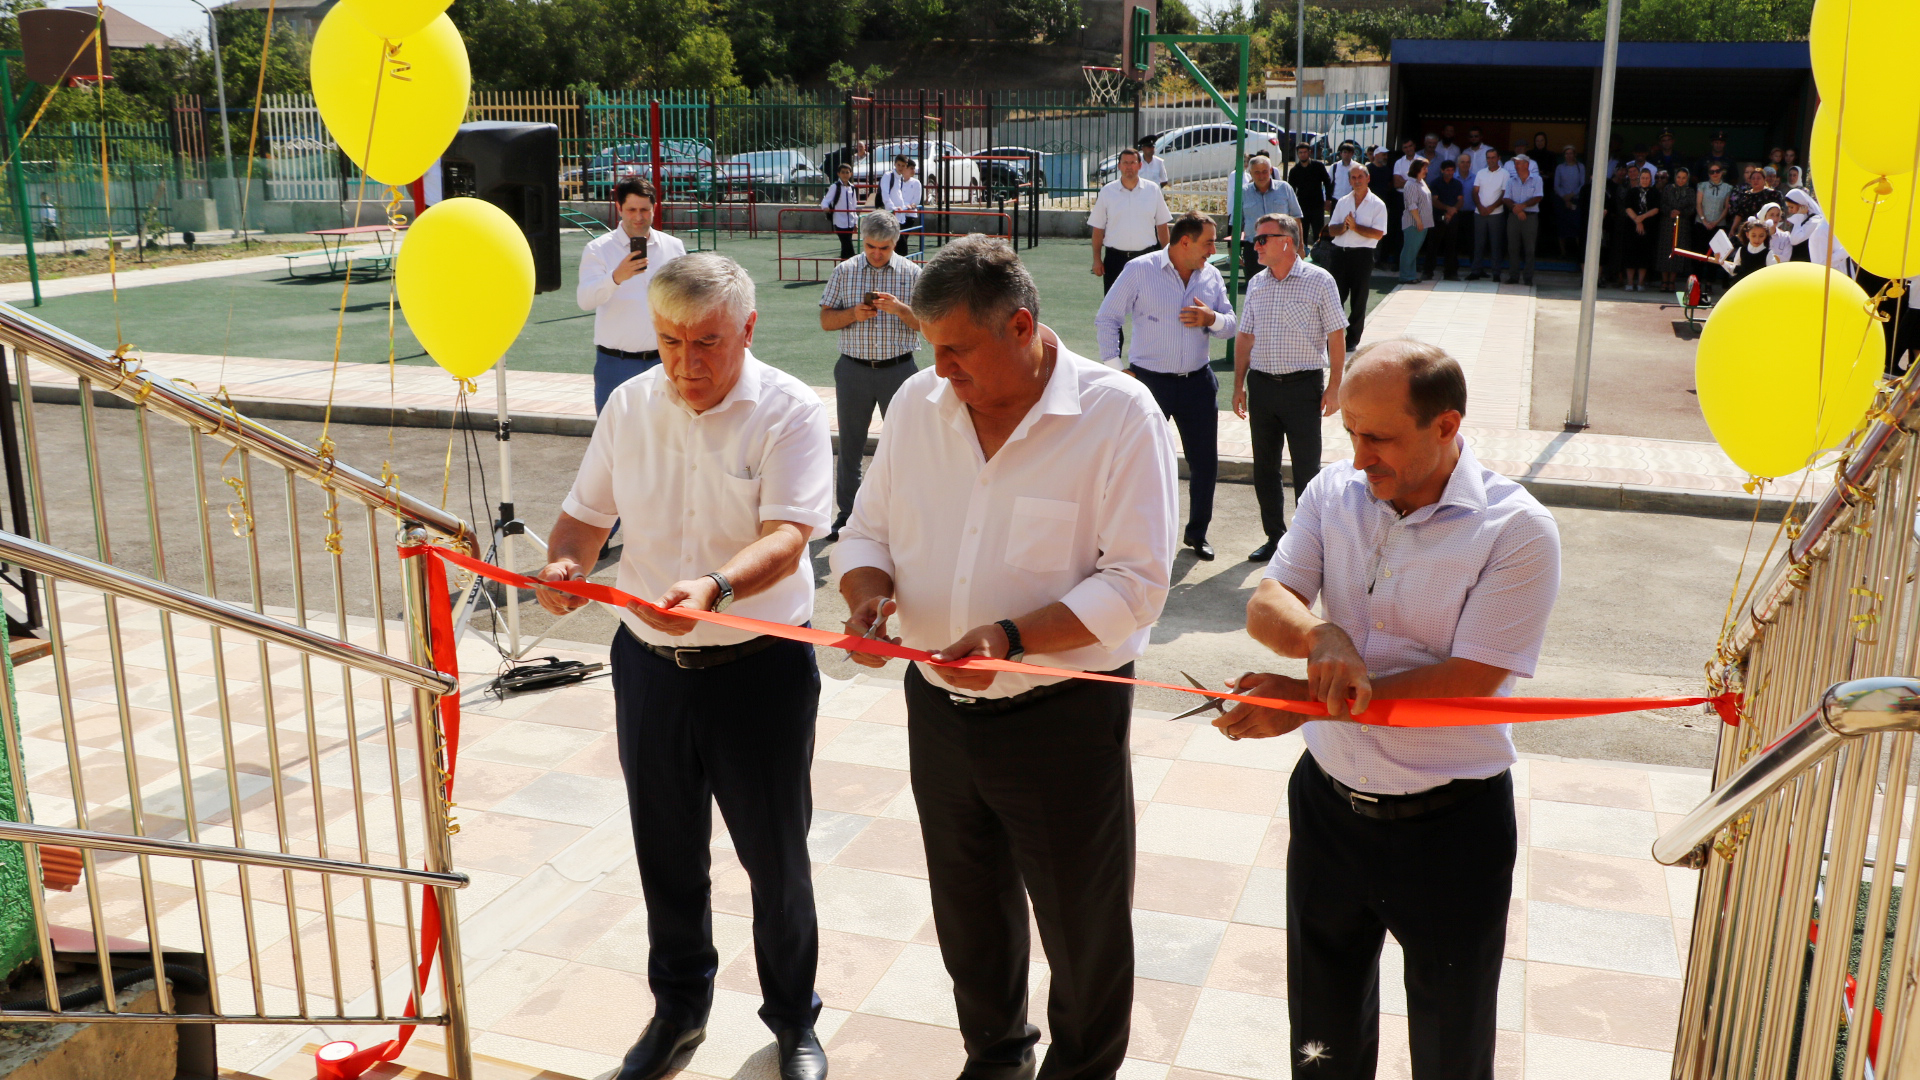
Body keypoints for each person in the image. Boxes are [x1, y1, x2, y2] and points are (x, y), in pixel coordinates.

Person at [832, 235, 1176, 1080]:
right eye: (930, 346)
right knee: (968, 910)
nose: (938, 368)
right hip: (938, 712)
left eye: (956, 350)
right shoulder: (918, 405)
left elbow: (1136, 586)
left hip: (1063, 716)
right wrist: (868, 599)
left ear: (1021, 327)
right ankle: (995, 1058)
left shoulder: (1118, 416)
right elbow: (866, 532)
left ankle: (1083, 1069)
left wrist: (1013, 637)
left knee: (1081, 926)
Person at [1219, 339, 1560, 1080]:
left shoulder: (1517, 530)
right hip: (1328, 812)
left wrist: (1311, 703)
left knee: (1450, 1046)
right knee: (1321, 1041)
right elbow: (1268, 602)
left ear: (1446, 426)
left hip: (1451, 829)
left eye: (1379, 437)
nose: (1360, 455)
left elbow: (1467, 680)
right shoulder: (1332, 493)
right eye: (1349, 433)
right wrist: (1321, 636)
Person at [537, 253, 833, 1080]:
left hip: (759, 666)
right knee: (665, 850)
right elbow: (581, 520)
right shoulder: (629, 406)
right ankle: (678, 1013)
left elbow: (786, 536)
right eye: (669, 341)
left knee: (775, 857)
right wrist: (564, 568)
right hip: (650, 667)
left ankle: (793, 1021)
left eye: (707, 343)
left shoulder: (788, 410)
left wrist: (715, 586)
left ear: (746, 328)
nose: (686, 363)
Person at [1097, 210, 1238, 560]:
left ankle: (1196, 534)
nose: (1213, 249)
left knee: (1204, 463)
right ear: (1185, 241)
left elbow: (1232, 323)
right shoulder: (1140, 270)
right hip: (1149, 384)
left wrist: (1212, 319)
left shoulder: (1211, 276)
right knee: (1136, 463)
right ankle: (1131, 537)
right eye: (1208, 242)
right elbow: (1107, 317)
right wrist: (1116, 369)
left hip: (1198, 384)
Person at [1234, 212, 1347, 563]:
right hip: (1263, 387)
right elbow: (1245, 336)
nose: (1255, 246)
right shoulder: (1257, 283)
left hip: (1303, 388)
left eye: (1262, 239)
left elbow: (1336, 336)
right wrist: (1238, 384)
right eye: (1255, 239)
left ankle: (1307, 543)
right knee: (1264, 467)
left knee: (1306, 470)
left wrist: (1336, 387)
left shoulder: (1319, 280)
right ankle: (1274, 536)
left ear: (1287, 241)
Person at [818, 210, 923, 542]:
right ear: (862, 241)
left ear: (896, 243)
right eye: (870, 246)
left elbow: (930, 324)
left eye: (884, 248)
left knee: (904, 447)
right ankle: (847, 516)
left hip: (900, 370)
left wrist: (901, 310)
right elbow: (825, 320)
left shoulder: (913, 274)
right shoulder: (845, 271)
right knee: (850, 445)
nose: (877, 254)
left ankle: (901, 514)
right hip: (853, 370)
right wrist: (852, 314)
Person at [578, 177, 689, 413]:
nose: (638, 217)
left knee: (667, 435)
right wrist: (616, 277)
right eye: (631, 210)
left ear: (655, 208)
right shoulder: (598, 249)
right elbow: (585, 300)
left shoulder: (673, 247)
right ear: (619, 208)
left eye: (644, 210)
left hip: (665, 361)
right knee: (614, 439)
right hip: (616, 364)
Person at [1088, 147, 1173, 293]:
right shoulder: (1107, 192)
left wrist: (1168, 257)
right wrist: (1097, 259)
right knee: (1113, 309)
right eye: (1125, 163)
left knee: (1147, 307)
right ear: (1119, 166)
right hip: (1115, 260)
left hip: (1146, 259)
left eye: (1132, 162)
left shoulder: (1152, 190)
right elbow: (1098, 228)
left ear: (1140, 165)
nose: (1129, 167)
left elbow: (1162, 226)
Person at [1326, 163, 1387, 349]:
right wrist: (1345, 227)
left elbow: (1378, 234)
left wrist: (1355, 228)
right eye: (1353, 177)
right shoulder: (1343, 201)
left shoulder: (1378, 204)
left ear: (1368, 178)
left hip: (1362, 255)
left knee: (1359, 300)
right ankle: (1332, 340)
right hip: (1340, 255)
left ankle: (1352, 340)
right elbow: (1331, 230)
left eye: (1360, 177)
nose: (1357, 180)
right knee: (1335, 299)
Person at [1242, 152, 1303, 273]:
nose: (1261, 176)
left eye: (1264, 171)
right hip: (1254, 248)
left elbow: (1296, 218)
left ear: (1270, 171)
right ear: (1250, 173)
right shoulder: (1243, 193)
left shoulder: (1284, 188)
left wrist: (1300, 246)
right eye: (1257, 172)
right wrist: (1233, 251)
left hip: (1282, 246)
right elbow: (1237, 222)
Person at [1467, 147, 1506, 281]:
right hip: (1479, 213)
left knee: (1495, 244)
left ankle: (1496, 273)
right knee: (1478, 243)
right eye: (1488, 158)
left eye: (1493, 157)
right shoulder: (1480, 173)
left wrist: (1491, 207)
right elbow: (1474, 191)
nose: (1490, 160)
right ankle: (1475, 271)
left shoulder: (1505, 174)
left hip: (1496, 214)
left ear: (1498, 158)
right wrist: (1480, 206)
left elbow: (1504, 195)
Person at [1503, 154, 1543, 285]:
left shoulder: (1537, 179)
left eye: (1519, 163)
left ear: (1526, 164)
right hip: (1514, 216)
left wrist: (1523, 206)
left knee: (1529, 248)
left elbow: (1538, 197)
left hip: (1530, 217)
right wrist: (1517, 209)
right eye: (1515, 163)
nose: (1516, 166)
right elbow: (1506, 198)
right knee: (1512, 247)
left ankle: (1528, 278)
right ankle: (1513, 276)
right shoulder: (1511, 180)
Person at [1423, 158, 1465, 281]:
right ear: (1442, 170)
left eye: (1452, 170)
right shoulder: (1435, 183)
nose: (1450, 172)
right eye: (1447, 170)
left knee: (1452, 245)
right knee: (1433, 245)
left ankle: (1450, 273)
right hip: (1437, 217)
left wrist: (1452, 211)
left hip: (1453, 217)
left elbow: (1460, 200)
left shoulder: (1457, 184)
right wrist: (1448, 209)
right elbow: (1434, 201)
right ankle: (1428, 272)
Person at [1656, 167, 1696, 292]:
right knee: (1665, 251)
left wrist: (1681, 212)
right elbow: (1662, 204)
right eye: (1679, 177)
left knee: (1677, 251)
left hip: (1682, 224)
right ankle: (1664, 281)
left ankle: (1672, 281)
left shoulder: (1690, 191)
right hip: (1667, 223)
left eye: (1684, 178)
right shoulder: (1668, 188)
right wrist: (1670, 211)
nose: (1681, 180)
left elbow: (1692, 208)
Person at [1621, 167, 1659, 292]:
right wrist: (1637, 220)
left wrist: (1642, 218)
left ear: (1650, 180)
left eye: (1647, 178)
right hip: (1631, 227)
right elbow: (1627, 207)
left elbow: (1656, 209)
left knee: (1644, 255)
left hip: (1648, 227)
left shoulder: (1655, 193)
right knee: (1630, 254)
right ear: (1639, 179)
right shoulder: (1632, 192)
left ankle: (1641, 282)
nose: (1644, 180)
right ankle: (1630, 282)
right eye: (1642, 178)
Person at [1289, 142, 1334, 245]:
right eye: (1300, 152)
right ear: (1297, 154)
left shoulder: (1318, 166)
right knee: (1301, 233)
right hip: (1302, 207)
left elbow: (1327, 182)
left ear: (1309, 152)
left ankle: (1318, 252)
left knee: (1318, 233)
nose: (1302, 154)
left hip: (1317, 205)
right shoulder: (1294, 171)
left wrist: (1328, 199)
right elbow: (1291, 190)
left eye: (1305, 152)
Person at [1399, 157, 1431, 284]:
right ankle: (1406, 276)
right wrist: (1419, 221)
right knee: (1409, 250)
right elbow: (1412, 205)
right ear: (1417, 169)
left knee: (1414, 250)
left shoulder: (1421, 182)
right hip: (1414, 223)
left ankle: (1411, 275)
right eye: (1424, 168)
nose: (1426, 171)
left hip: (1422, 223)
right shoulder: (1411, 184)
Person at [820, 163, 861, 260]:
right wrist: (825, 207)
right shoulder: (835, 186)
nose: (845, 175)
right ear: (838, 174)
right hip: (839, 220)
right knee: (847, 243)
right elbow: (825, 200)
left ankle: (844, 266)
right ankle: (851, 263)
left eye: (847, 172)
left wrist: (855, 221)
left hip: (850, 221)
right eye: (843, 172)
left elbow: (853, 206)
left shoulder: (852, 188)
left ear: (850, 174)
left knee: (846, 246)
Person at [1552, 146, 1586, 260]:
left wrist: (1571, 195)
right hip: (1562, 200)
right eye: (1566, 153)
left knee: (1576, 226)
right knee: (1562, 226)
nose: (1569, 156)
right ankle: (1563, 252)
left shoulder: (1580, 167)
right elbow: (1556, 185)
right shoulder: (1560, 168)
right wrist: (1565, 198)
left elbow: (1582, 184)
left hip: (1575, 199)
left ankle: (1580, 254)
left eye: (1571, 153)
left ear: (1575, 154)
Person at [1370, 147, 1400, 268]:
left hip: (1383, 206)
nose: (1385, 157)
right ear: (1377, 155)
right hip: (1369, 205)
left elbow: (1389, 186)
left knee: (1380, 233)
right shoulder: (1368, 169)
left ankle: (1378, 260)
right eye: (1383, 155)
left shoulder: (1387, 171)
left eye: (1386, 155)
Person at [880, 155, 923, 238]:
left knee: (899, 243)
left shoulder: (900, 179)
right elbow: (885, 195)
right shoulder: (888, 176)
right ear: (895, 164)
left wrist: (902, 208)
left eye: (903, 166)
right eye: (899, 165)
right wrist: (893, 208)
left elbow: (899, 197)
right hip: (892, 215)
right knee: (898, 243)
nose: (900, 167)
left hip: (900, 216)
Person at [1729, 166, 1779, 235]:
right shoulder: (1745, 195)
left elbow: (1779, 213)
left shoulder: (1773, 194)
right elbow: (1739, 214)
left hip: (1765, 230)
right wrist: (1733, 228)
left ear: (1764, 179)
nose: (1755, 180)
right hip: (1748, 230)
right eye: (1753, 178)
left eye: (1758, 178)